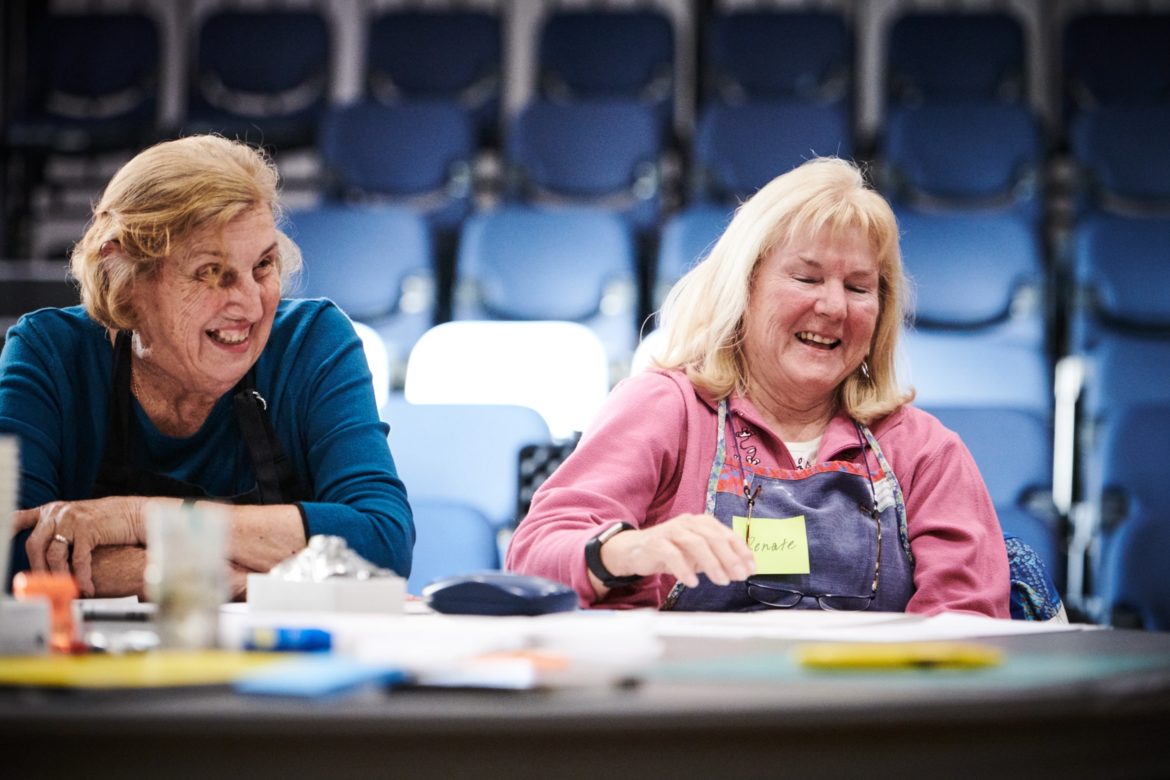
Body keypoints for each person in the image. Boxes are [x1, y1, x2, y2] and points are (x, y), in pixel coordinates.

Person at [506, 157, 1010, 616]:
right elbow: (532, 559)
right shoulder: (666, 408)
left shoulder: (926, 452)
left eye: (858, 288)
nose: (834, 307)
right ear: (743, 287)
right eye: (807, 279)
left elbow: (969, 627)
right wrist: (625, 551)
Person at [1, 135, 413, 599]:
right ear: (126, 277)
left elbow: (381, 543)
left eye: (263, 265)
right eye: (212, 273)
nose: (252, 304)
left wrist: (134, 518)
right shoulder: (50, 353)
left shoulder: (312, 341)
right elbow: (12, 555)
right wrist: (227, 577)